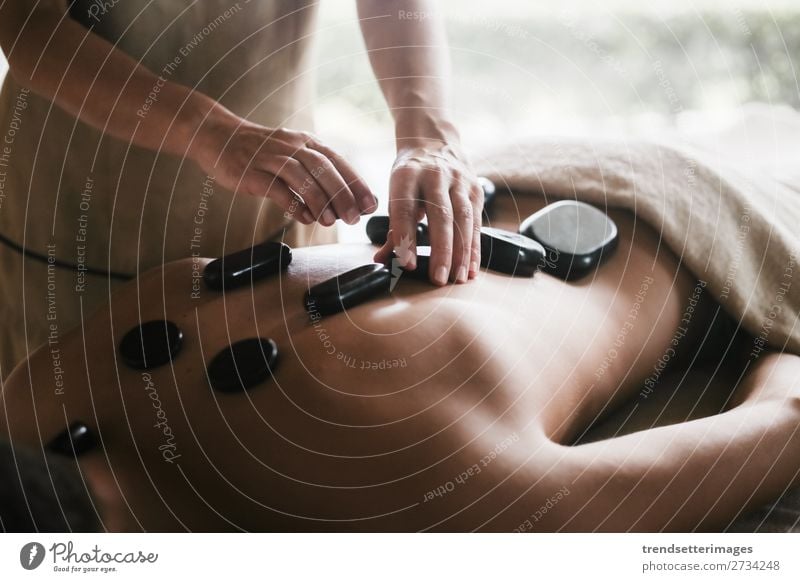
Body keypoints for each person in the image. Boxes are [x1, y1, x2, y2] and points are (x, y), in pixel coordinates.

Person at [2, 190, 799, 532]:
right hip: (501, 186)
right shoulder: (37, 398)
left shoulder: (445, 507)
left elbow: (785, 418)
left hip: (696, 220)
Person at [0, 0, 482, 376]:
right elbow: (30, 25)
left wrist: (429, 135)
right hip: (78, 224)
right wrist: (208, 130)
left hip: (279, 204)